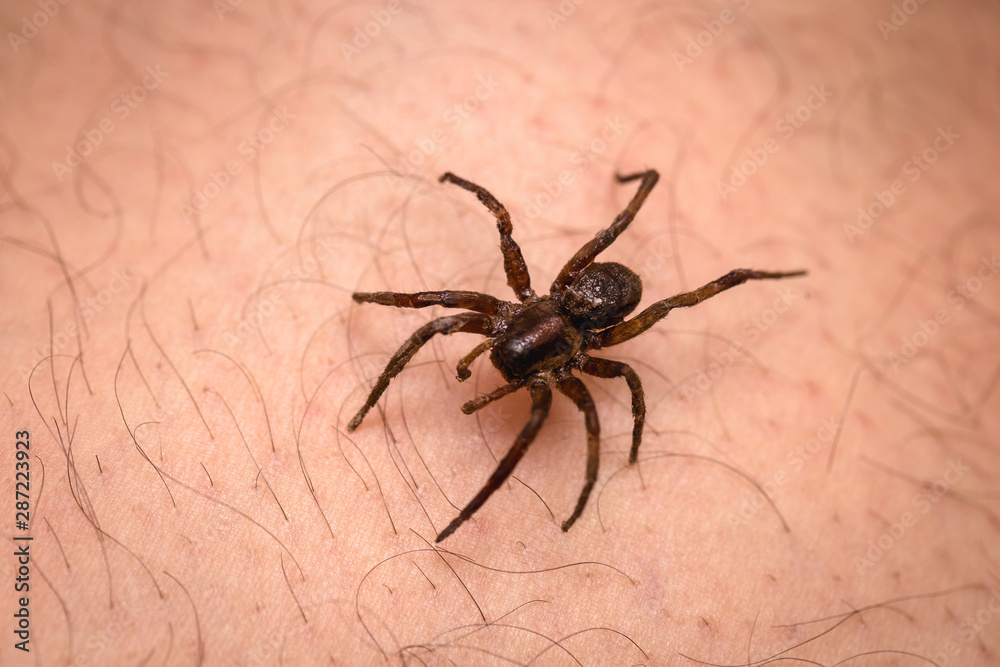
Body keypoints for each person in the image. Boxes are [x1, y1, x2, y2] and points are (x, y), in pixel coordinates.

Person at [3, 1, 998, 664]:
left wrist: (592, 472)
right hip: (558, 304)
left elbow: (612, 406)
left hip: (583, 306)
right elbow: (493, 227)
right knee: (441, 301)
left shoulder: (580, 364)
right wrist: (433, 253)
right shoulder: (513, 310)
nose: (509, 352)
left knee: (646, 329)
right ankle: (368, 392)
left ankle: (466, 497)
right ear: (520, 319)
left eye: (520, 351)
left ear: (555, 342)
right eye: (512, 342)